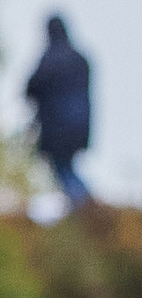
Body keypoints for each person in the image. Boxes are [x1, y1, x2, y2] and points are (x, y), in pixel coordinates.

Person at [26, 15, 94, 210]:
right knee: (67, 167)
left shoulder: (50, 59)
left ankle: (85, 205)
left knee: (62, 168)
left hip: (56, 128)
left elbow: (31, 87)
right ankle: (85, 205)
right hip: (81, 127)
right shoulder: (81, 60)